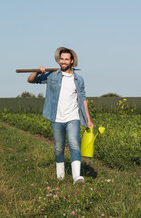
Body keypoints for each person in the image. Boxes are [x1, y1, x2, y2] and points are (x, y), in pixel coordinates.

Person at [27, 47, 93, 184]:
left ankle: (76, 177)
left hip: (73, 116)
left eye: (66, 59)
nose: (63, 61)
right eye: (61, 59)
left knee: (74, 144)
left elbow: (83, 99)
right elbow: (31, 80)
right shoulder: (51, 75)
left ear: (72, 61)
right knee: (59, 147)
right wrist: (36, 71)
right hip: (56, 117)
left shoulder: (78, 79)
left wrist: (88, 119)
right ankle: (60, 176)